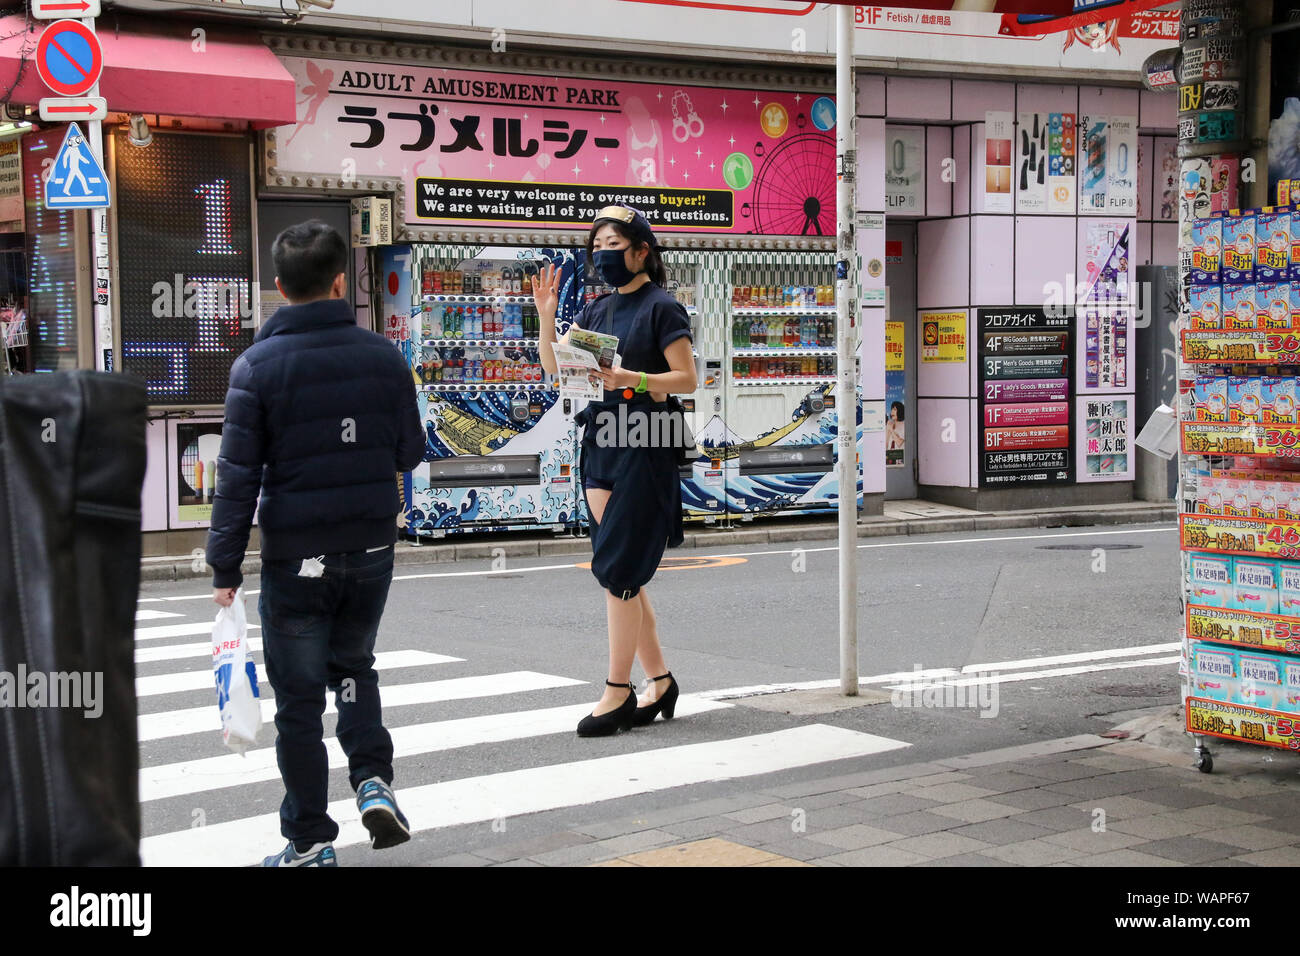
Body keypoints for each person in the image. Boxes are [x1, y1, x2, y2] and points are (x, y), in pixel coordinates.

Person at [206, 220, 425, 867]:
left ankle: (308, 841)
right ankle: (372, 779)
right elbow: (411, 450)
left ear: (278, 287)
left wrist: (224, 565)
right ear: (339, 284)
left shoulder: (257, 367)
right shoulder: (384, 358)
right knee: (354, 668)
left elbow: (237, 478)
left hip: (295, 559)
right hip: (371, 549)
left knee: (298, 702)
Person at [534, 206, 697, 736]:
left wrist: (634, 376)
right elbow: (557, 369)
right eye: (596, 245)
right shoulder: (598, 310)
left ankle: (616, 692)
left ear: (641, 250)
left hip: (646, 445)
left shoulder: (662, 308)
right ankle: (661, 680)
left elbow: (687, 379)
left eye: (613, 243)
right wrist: (546, 316)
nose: (603, 254)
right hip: (601, 440)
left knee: (619, 572)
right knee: (618, 567)